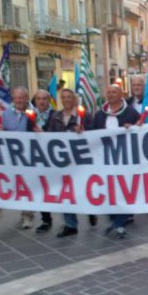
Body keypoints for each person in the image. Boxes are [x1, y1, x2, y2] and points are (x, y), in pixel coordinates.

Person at [89, 84, 141, 238]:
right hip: (104, 160)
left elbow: (140, 129)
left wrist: (132, 127)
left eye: (114, 92)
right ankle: (114, 219)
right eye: (108, 92)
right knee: (108, 191)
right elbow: (92, 132)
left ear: (121, 95)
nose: (111, 95)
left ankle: (120, 224)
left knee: (122, 191)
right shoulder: (100, 114)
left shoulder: (131, 112)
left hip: (124, 160)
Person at [45, 89, 87, 237]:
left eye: (69, 97)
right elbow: (49, 136)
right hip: (62, 162)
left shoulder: (83, 116)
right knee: (65, 192)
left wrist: (84, 130)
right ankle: (70, 224)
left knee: (82, 190)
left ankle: (90, 212)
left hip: (80, 161)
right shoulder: (55, 116)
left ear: (74, 99)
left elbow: (95, 133)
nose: (67, 100)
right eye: (64, 97)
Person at [1, 87, 38, 229]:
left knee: (27, 185)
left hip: (30, 157)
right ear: (13, 99)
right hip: (12, 158)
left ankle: (27, 214)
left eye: (22, 97)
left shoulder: (34, 113)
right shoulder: (5, 114)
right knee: (18, 185)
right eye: (16, 98)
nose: (19, 101)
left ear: (27, 98)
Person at [32, 90, 56, 233]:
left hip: (52, 160)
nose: (41, 102)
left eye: (44, 99)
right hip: (36, 159)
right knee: (40, 190)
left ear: (49, 100)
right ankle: (46, 219)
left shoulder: (56, 115)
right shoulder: (30, 116)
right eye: (38, 99)